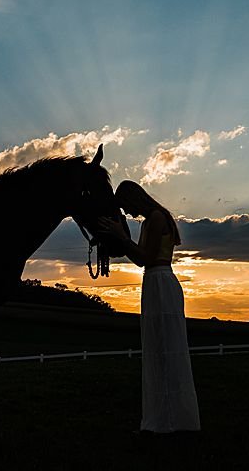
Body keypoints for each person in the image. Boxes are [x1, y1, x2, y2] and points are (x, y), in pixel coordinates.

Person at [98, 180, 200, 434]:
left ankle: (173, 420)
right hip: (153, 282)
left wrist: (122, 237)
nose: (128, 213)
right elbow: (139, 259)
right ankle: (164, 418)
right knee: (158, 348)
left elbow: (146, 258)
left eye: (126, 206)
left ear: (134, 199)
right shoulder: (149, 221)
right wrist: (118, 239)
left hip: (161, 282)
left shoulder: (156, 218)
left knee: (167, 347)